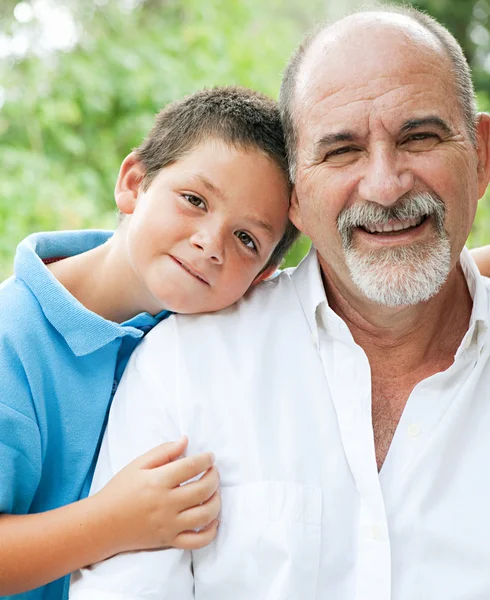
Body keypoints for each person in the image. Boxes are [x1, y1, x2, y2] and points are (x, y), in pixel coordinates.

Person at [69, 5, 490, 600]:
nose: (386, 185)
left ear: (481, 156)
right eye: (341, 151)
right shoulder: (185, 367)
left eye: (418, 137)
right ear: (295, 196)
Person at [0, 86, 299, 600]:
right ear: (134, 183)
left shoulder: (202, 322)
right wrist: (113, 521)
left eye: (246, 239)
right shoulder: (13, 342)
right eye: (195, 201)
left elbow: (345, 299)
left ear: (262, 276)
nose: (210, 244)